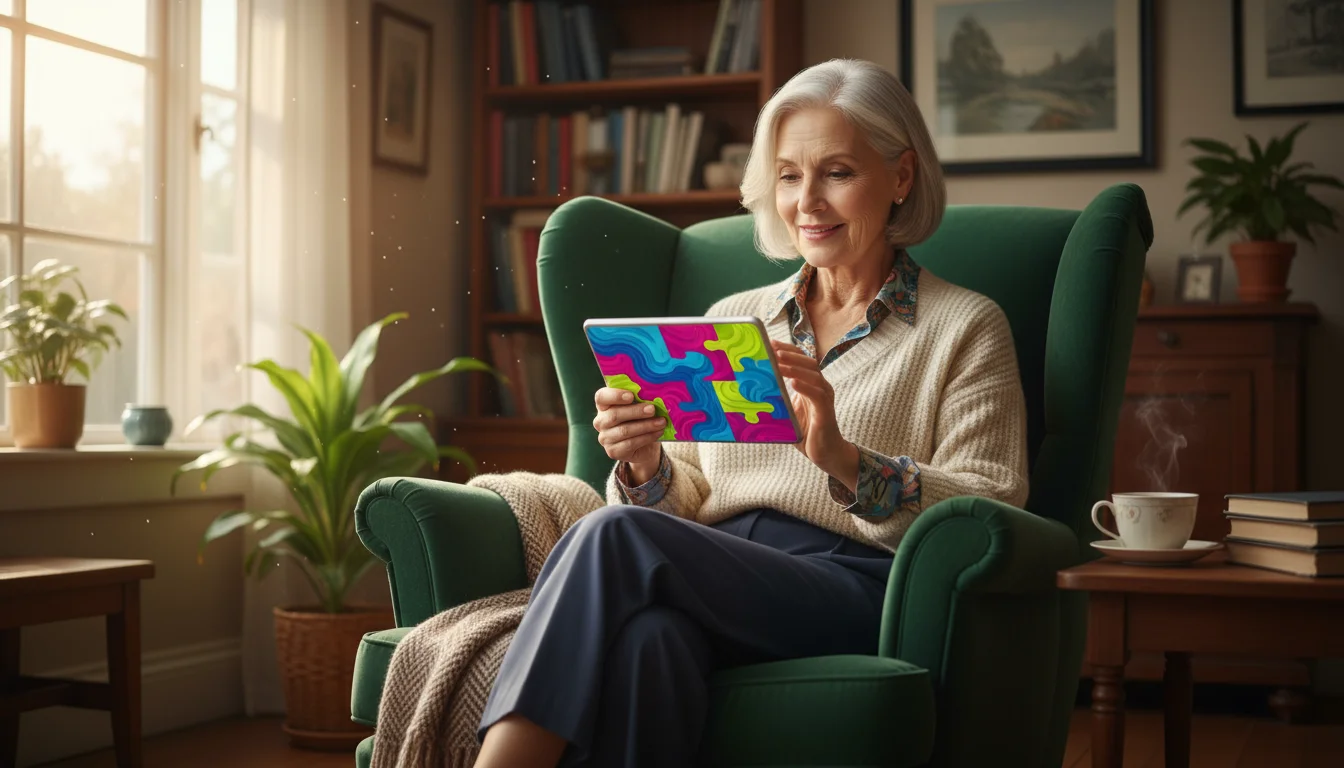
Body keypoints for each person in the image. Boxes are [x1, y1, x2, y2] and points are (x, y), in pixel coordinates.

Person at [472, 58, 1030, 768]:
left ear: (901, 176)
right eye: (789, 176)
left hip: (855, 582)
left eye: (837, 172)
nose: (808, 202)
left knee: (612, 534)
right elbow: (686, 497)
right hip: (714, 569)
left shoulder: (966, 326)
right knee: (650, 642)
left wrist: (844, 461)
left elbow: (991, 505)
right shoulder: (735, 319)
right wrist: (644, 463)